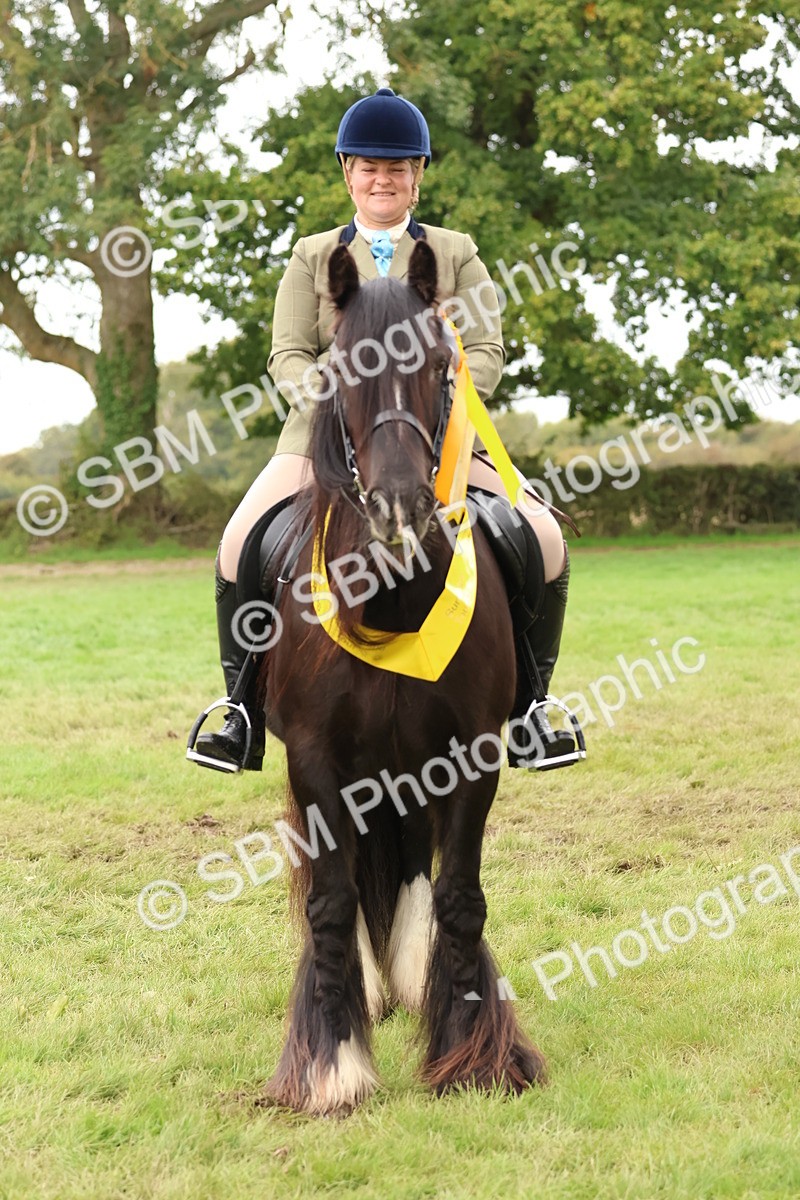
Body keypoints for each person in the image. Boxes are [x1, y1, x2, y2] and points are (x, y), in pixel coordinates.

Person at [189, 87, 580, 774]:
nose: (382, 180)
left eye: (396, 168)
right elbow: (287, 353)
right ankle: (241, 712)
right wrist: (333, 401)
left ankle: (531, 709)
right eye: (369, 167)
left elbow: (486, 348)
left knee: (544, 539)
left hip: (439, 437)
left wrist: (447, 398)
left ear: (416, 175)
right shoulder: (312, 256)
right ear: (349, 173)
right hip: (324, 440)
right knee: (235, 546)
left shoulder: (455, 253)